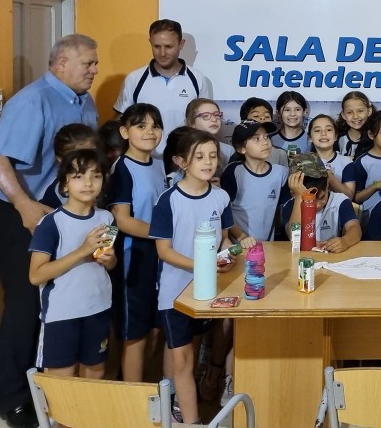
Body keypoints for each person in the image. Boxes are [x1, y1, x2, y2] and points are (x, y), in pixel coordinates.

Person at [0, 33, 99, 428]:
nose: (94, 70)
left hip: (63, 215)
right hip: (22, 215)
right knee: (25, 305)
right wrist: (24, 205)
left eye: (95, 63)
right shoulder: (33, 100)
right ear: (60, 64)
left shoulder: (83, 100)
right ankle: (13, 400)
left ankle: (46, 389)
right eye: (88, 63)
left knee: (54, 305)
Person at [150, 130, 255, 424]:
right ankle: (191, 419)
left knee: (194, 353)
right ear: (182, 161)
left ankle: (185, 408)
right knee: (181, 360)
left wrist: (227, 253)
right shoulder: (168, 201)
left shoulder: (220, 197)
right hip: (174, 293)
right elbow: (164, 251)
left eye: (212, 156)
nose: (208, 162)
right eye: (199, 157)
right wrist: (202, 265)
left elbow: (222, 239)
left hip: (208, 291)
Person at [28, 150, 116, 379]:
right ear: (64, 185)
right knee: (60, 383)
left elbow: (109, 263)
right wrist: (82, 251)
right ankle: (59, 418)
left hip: (98, 308)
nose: (88, 183)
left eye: (95, 176)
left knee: (95, 374)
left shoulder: (106, 218)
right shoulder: (50, 223)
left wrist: (109, 260)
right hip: (62, 314)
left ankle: (88, 416)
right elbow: (36, 276)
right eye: (78, 176)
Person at [106, 102, 165, 381]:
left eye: (155, 125)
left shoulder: (160, 164)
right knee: (134, 333)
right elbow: (123, 220)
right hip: (133, 256)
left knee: (154, 329)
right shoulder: (123, 169)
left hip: (159, 255)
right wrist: (164, 233)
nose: (150, 131)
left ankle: (146, 395)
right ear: (125, 131)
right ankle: (132, 404)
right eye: (141, 126)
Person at [113, 19, 212, 154]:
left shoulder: (198, 79)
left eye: (168, 47)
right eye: (157, 46)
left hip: (186, 159)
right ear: (150, 43)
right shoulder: (134, 79)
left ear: (181, 44)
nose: (162, 53)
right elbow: (120, 121)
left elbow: (205, 123)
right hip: (145, 159)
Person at [278, 153, 361, 252]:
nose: (316, 205)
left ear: (327, 184)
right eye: (309, 200)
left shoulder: (340, 201)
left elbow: (355, 228)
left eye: (322, 197)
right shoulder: (291, 205)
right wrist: (299, 197)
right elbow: (293, 236)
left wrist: (345, 241)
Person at [220, 119, 284, 241]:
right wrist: (241, 237)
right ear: (241, 149)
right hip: (239, 247)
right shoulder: (233, 172)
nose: (265, 142)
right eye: (256, 139)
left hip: (268, 248)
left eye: (266, 137)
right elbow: (224, 211)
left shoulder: (281, 173)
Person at [344, 110, 381, 219]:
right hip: (371, 218)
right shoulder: (363, 162)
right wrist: (377, 185)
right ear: (371, 134)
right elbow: (357, 198)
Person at [39, 123, 100, 209]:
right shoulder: (62, 192)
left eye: (92, 152)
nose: (87, 159)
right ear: (60, 159)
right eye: (77, 156)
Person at [308, 113, 354, 197]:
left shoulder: (346, 162)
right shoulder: (303, 162)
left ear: (336, 136)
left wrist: (330, 177)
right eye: (317, 130)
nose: (323, 134)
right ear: (310, 137)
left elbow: (349, 196)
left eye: (329, 130)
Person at [185, 98, 233, 172]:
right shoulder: (184, 148)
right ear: (192, 122)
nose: (214, 119)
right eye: (206, 116)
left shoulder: (228, 150)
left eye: (217, 115)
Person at [336, 90, 373, 158]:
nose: (355, 116)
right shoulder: (336, 138)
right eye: (349, 112)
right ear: (343, 115)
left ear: (369, 111)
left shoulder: (375, 139)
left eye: (360, 111)